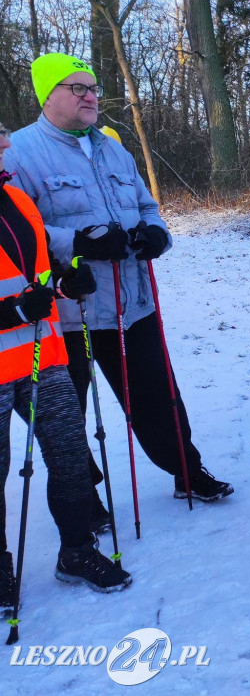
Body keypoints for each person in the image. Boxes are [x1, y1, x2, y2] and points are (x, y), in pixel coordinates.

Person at [5, 53, 234, 517]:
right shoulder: (22, 153)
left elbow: (147, 206)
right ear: (49, 95)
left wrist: (156, 233)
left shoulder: (112, 146)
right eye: (78, 88)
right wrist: (81, 242)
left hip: (133, 304)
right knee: (66, 415)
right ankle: (83, 495)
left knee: (159, 394)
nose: (91, 96)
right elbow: (17, 229)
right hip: (69, 314)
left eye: (93, 87)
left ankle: (186, 471)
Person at [1, 122, 131, 607]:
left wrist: (60, 286)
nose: (7, 143)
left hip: (41, 354)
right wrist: (10, 311)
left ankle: (76, 551)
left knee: (71, 454)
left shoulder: (16, 200)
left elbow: (29, 274)